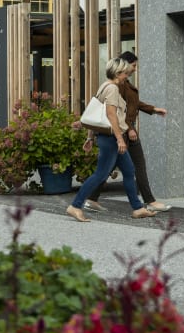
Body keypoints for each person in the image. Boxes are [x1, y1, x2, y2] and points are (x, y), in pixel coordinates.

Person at [66, 58, 157, 222]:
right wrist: (120, 139)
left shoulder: (104, 86)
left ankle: (137, 208)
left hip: (110, 138)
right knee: (100, 175)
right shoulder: (112, 89)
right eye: (125, 73)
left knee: (129, 171)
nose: (126, 76)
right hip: (111, 140)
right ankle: (75, 206)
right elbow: (110, 115)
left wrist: (90, 137)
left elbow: (96, 116)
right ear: (117, 73)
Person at [84, 51, 172, 213]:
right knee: (138, 166)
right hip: (124, 132)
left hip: (123, 131)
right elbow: (116, 111)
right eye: (133, 65)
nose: (135, 69)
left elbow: (134, 104)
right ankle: (148, 202)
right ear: (124, 65)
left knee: (109, 168)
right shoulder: (118, 85)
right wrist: (130, 129)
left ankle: (90, 199)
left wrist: (153, 109)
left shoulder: (124, 84)